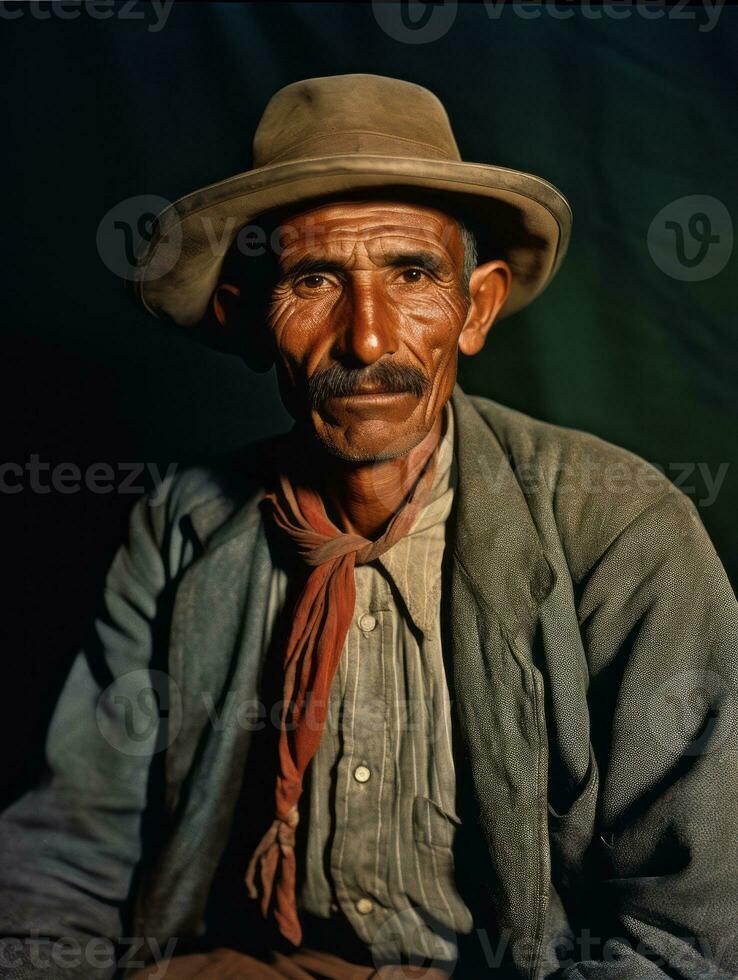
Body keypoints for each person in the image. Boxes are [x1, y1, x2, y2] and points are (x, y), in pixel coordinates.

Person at [1, 74, 736, 980]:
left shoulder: (623, 535)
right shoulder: (183, 526)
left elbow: (694, 935)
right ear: (244, 317)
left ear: (477, 308)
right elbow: (70, 849)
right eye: (314, 280)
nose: (369, 340)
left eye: (414, 274)